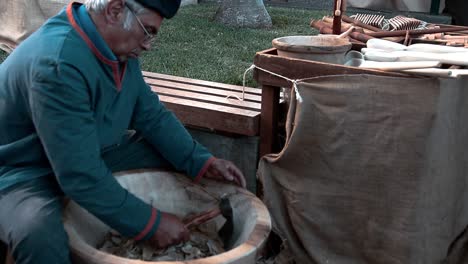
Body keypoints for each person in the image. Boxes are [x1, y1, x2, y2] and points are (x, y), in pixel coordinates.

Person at [0, 0, 246, 263]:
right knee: (39, 236)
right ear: (115, 10)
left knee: (168, 156)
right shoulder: (58, 62)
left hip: (87, 150)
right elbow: (79, 175)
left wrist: (201, 161)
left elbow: (149, 113)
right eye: (148, 31)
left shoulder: (114, 47)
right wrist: (150, 224)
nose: (148, 44)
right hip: (20, 171)